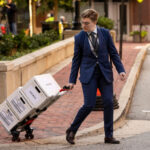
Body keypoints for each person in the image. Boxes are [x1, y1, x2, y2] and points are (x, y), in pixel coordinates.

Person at [65, 9, 126, 145]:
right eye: (82, 23)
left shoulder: (105, 33)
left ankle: (108, 136)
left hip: (105, 73)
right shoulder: (80, 37)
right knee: (89, 104)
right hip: (89, 75)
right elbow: (76, 60)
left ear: (94, 22)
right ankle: (72, 130)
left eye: (86, 23)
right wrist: (71, 80)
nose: (83, 26)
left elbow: (114, 53)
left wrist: (120, 70)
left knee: (109, 103)